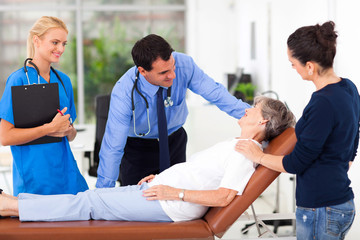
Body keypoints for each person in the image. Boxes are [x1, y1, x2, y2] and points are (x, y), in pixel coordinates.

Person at [0, 96, 295, 222]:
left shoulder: (246, 152)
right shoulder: (238, 144)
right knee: (90, 199)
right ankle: (14, 205)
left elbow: (224, 196)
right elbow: (199, 171)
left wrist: (173, 191)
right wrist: (163, 179)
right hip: (160, 191)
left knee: (87, 203)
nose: (246, 110)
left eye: (253, 110)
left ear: (264, 123)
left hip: (170, 203)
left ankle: (13, 207)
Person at [236, 21, 358, 240]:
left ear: (309, 66)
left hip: (320, 209)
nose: (293, 68)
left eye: (293, 63)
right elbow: (354, 136)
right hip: (342, 202)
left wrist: (258, 156)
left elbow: (295, 164)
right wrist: (337, 167)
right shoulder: (348, 88)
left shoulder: (322, 103)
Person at [96, 34, 251, 187]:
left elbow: (217, 94)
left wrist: (255, 118)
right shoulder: (124, 91)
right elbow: (113, 145)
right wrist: (103, 193)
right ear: (143, 71)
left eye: (173, 67)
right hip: (137, 150)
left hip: (174, 142)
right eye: (164, 73)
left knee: (176, 201)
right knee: (137, 204)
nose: (173, 75)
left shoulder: (185, 65)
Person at [0, 16, 88, 196]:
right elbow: (5, 137)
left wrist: (68, 130)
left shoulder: (64, 81)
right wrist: (49, 128)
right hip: (35, 179)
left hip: (67, 176)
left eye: (64, 43)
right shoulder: (18, 80)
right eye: (55, 42)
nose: (61, 49)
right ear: (36, 40)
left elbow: (70, 134)